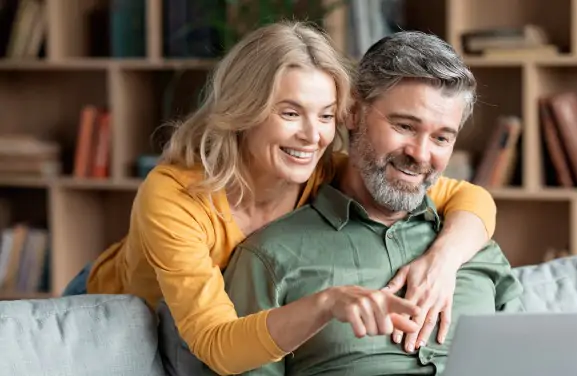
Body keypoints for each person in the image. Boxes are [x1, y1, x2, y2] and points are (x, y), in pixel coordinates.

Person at [62, 21, 499, 375]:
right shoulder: (175, 195)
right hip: (114, 308)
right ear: (243, 110)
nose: (312, 136)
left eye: (325, 115)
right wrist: (328, 302)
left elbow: (470, 198)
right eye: (289, 113)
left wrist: (442, 261)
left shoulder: (320, 166)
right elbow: (217, 343)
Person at [208, 29, 525, 376]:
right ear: (353, 112)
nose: (420, 154)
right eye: (404, 126)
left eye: (441, 137)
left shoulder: (473, 246)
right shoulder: (270, 258)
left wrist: (445, 258)